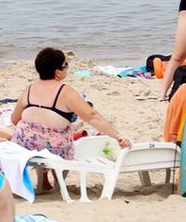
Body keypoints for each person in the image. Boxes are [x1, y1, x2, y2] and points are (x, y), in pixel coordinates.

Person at [12, 47, 131, 176]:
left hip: (25, 145)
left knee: (37, 133)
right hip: (54, 148)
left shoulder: (29, 89)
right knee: (59, 140)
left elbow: (14, 119)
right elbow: (91, 116)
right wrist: (117, 135)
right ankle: (58, 180)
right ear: (57, 72)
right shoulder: (64, 91)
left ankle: (44, 179)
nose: (67, 68)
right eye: (65, 65)